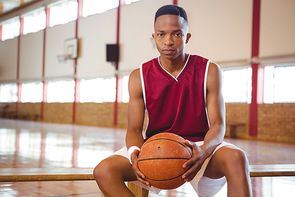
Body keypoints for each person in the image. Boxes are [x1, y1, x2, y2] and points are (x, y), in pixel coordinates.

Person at [94, 4, 253, 197]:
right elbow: (134, 129)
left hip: (199, 146)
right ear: (154, 37)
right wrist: (135, 152)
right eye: (161, 34)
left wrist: (204, 150)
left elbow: (218, 125)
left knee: (237, 157)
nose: (168, 41)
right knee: (103, 171)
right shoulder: (139, 76)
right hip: (155, 149)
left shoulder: (209, 71)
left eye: (177, 34)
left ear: (187, 37)